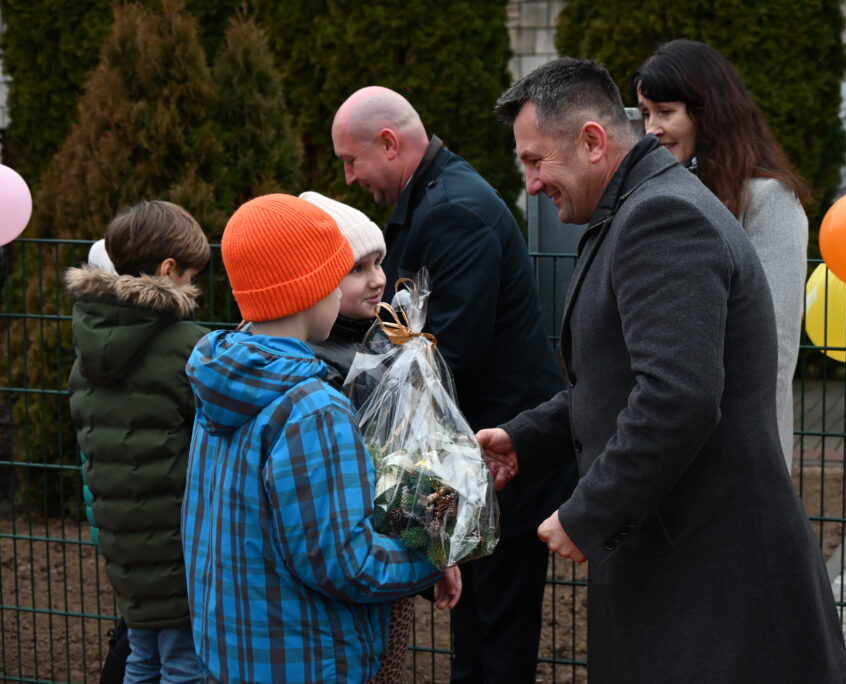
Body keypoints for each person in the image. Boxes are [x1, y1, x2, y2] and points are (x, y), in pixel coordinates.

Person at [481, 57, 846, 684]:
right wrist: (526, 438)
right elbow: (617, 379)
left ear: (593, 142)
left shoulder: (661, 217)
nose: (531, 183)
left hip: (714, 585)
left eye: (534, 160)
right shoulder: (637, 207)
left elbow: (678, 396)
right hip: (685, 570)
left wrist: (588, 511)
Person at [331, 86, 574, 683]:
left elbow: (442, 359)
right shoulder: (438, 201)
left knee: (495, 640)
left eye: (351, 161)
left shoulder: (453, 211)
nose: (350, 177)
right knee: (480, 631)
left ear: (388, 144)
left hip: (501, 462)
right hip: (476, 463)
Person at [180, 194, 459, 684]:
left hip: (239, 651)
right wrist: (436, 548)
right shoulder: (313, 406)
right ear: (313, 286)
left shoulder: (222, 379)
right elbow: (350, 564)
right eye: (338, 276)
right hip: (311, 660)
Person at [632, 38, 810, 470]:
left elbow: (775, 347)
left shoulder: (769, 200)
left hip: (740, 453)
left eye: (666, 112)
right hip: (673, 446)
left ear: (706, 113)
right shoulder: (662, 193)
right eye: (645, 114)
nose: (651, 128)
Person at [66, 200, 211, 684]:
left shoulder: (84, 357)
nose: (193, 288)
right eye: (191, 276)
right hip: (181, 548)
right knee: (184, 665)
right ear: (168, 270)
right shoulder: (190, 348)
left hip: (124, 547)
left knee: (142, 657)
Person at [298, 190, 413, 684]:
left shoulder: (376, 336)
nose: (378, 280)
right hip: (357, 566)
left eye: (379, 262)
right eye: (357, 269)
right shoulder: (315, 364)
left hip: (391, 554)